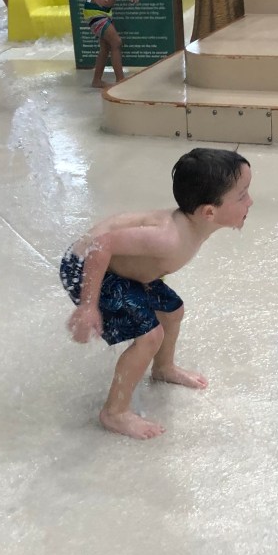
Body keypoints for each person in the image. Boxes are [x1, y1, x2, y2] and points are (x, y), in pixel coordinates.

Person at [60, 148, 253, 440]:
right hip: (86, 266)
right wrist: (88, 306)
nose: (250, 201)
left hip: (120, 267)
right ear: (209, 212)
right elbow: (101, 245)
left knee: (172, 311)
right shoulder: (168, 238)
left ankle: (163, 368)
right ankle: (114, 412)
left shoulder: (192, 227)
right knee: (150, 335)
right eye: (242, 196)